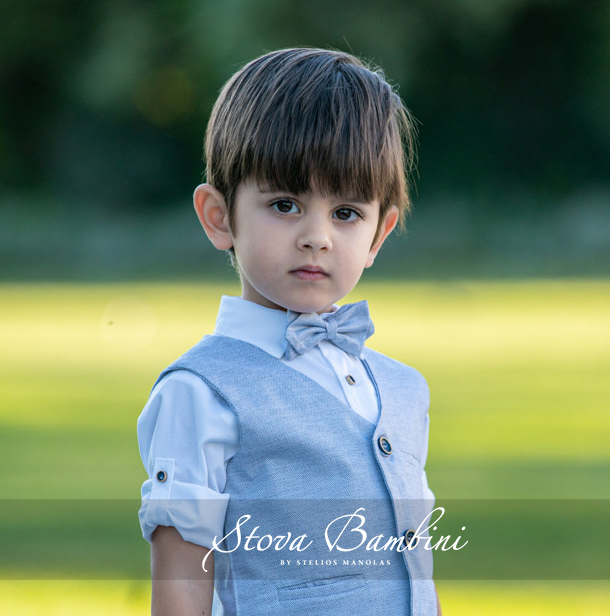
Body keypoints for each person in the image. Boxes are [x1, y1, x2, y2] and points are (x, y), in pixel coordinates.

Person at [138, 48, 441, 615]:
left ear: (379, 235)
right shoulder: (201, 393)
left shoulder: (404, 390)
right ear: (219, 217)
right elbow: (181, 583)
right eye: (285, 204)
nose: (316, 236)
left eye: (346, 213)